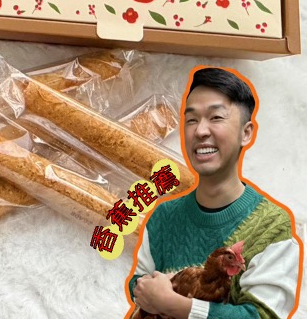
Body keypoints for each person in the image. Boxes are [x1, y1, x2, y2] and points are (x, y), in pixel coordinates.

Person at [126, 66, 302, 319]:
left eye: (216, 117)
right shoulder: (164, 216)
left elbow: (262, 315)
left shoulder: (271, 226)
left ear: (246, 133)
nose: (200, 131)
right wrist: (146, 289)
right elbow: (139, 283)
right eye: (191, 120)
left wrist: (174, 304)